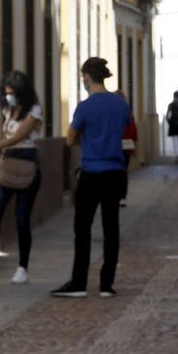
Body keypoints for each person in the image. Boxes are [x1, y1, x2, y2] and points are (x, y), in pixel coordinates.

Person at [50, 57, 131, 298]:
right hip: (115, 172)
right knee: (111, 228)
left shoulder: (85, 107)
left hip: (91, 173)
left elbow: (70, 139)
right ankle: (107, 284)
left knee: (82, 228)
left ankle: (79, 282)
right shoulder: (121, 105)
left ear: (86, 77)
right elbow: (125, 126)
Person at [0, 70, 43, 285]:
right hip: (8, 162)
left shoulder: (35, 111)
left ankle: (23, 267)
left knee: (22, 218)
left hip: (26, 161)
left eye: (12, 93)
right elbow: (9, 139)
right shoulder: (7, 109)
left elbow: (18, 137)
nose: (9, 96)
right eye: (6, 93)